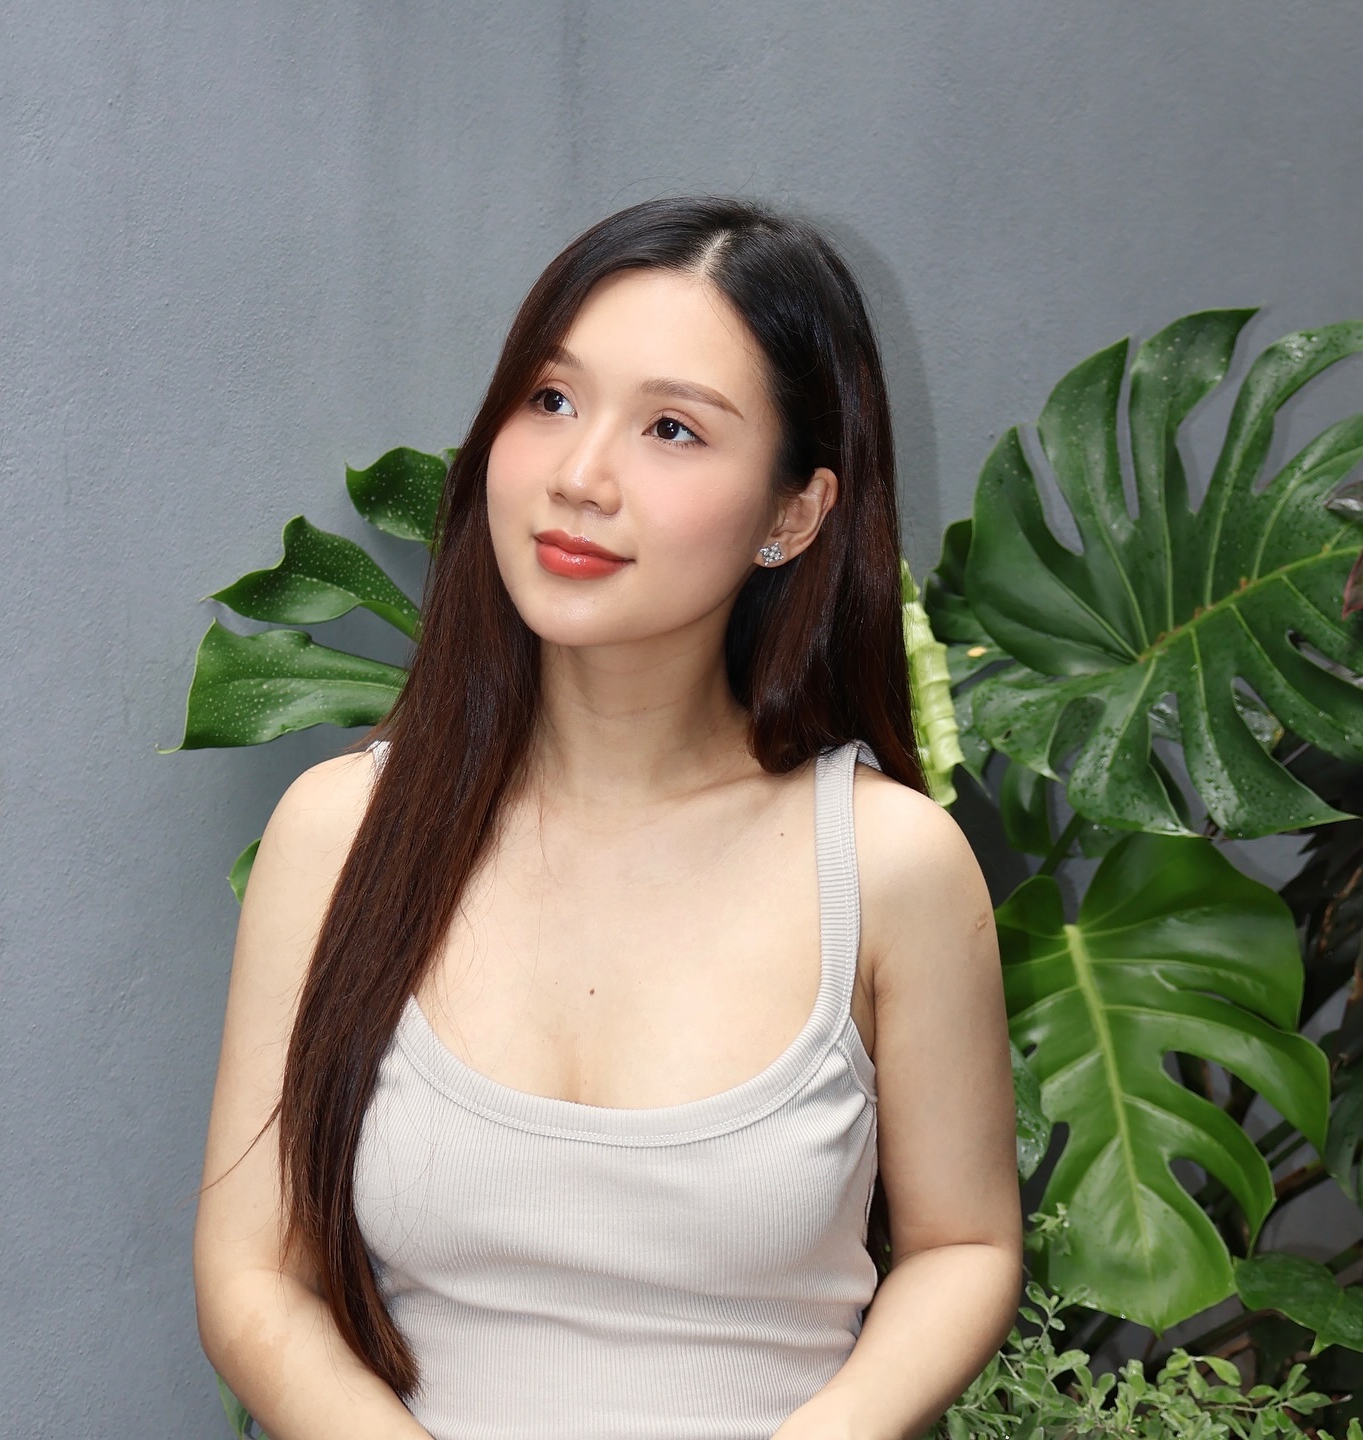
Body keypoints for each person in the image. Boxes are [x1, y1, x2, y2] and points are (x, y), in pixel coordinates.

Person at [193, 195, 1023, 1440]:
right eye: (551, 399)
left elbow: (963, 1246)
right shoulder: (341, 834)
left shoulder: (888, 862)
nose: (579, 477)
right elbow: (254, 1275)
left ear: (793, 515)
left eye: (673, 429)